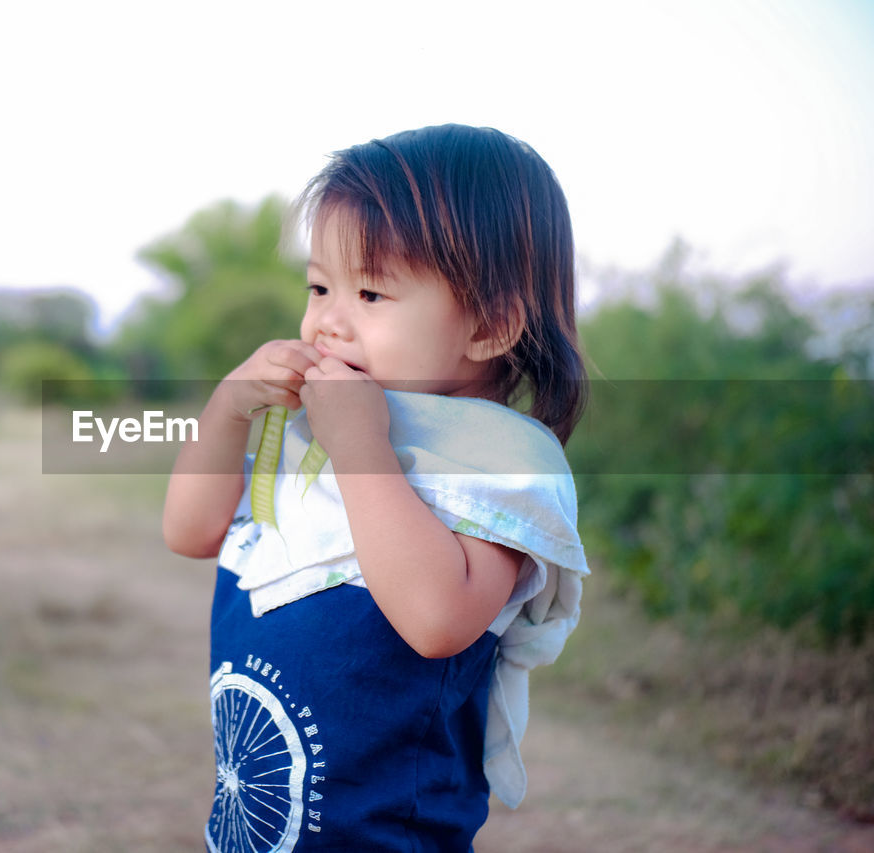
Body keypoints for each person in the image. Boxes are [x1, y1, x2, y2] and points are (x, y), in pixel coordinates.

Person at [163, 123, 590, 851]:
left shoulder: (499, 459)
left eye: (369, 292)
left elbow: (437, 620)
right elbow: (191, 531)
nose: (328, 320)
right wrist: (230, 402)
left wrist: (360, 445)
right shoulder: (310, 425)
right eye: (319, 286)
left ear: (489, 325)